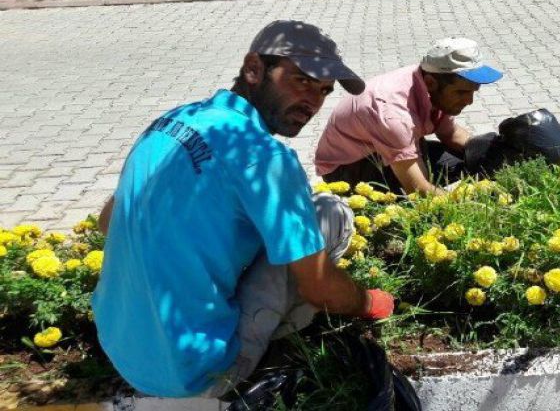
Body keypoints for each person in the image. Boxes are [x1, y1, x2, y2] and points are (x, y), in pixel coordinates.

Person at [91, 20, 394, 399]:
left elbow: (108, 221)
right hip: (197, 373)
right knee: (329, 213)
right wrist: (369, 301)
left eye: (323, 91)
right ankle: (266, 340)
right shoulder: (266, 159)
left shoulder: (170, 122)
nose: (312, 103)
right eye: (301, 81)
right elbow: (320, 289)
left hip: (118, 345)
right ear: (254, 68)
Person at [314, 37, 503, 195]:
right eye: (461, 93)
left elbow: (451, 134)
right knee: (417, 195)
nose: (469, 101)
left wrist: (492, 154)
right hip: (349, 169)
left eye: (473, 92)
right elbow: (417, 189)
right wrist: (473, 206)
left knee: (466, 163)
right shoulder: (393, 114)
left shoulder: (431, 81)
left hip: (389, 146)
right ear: (430, 82)